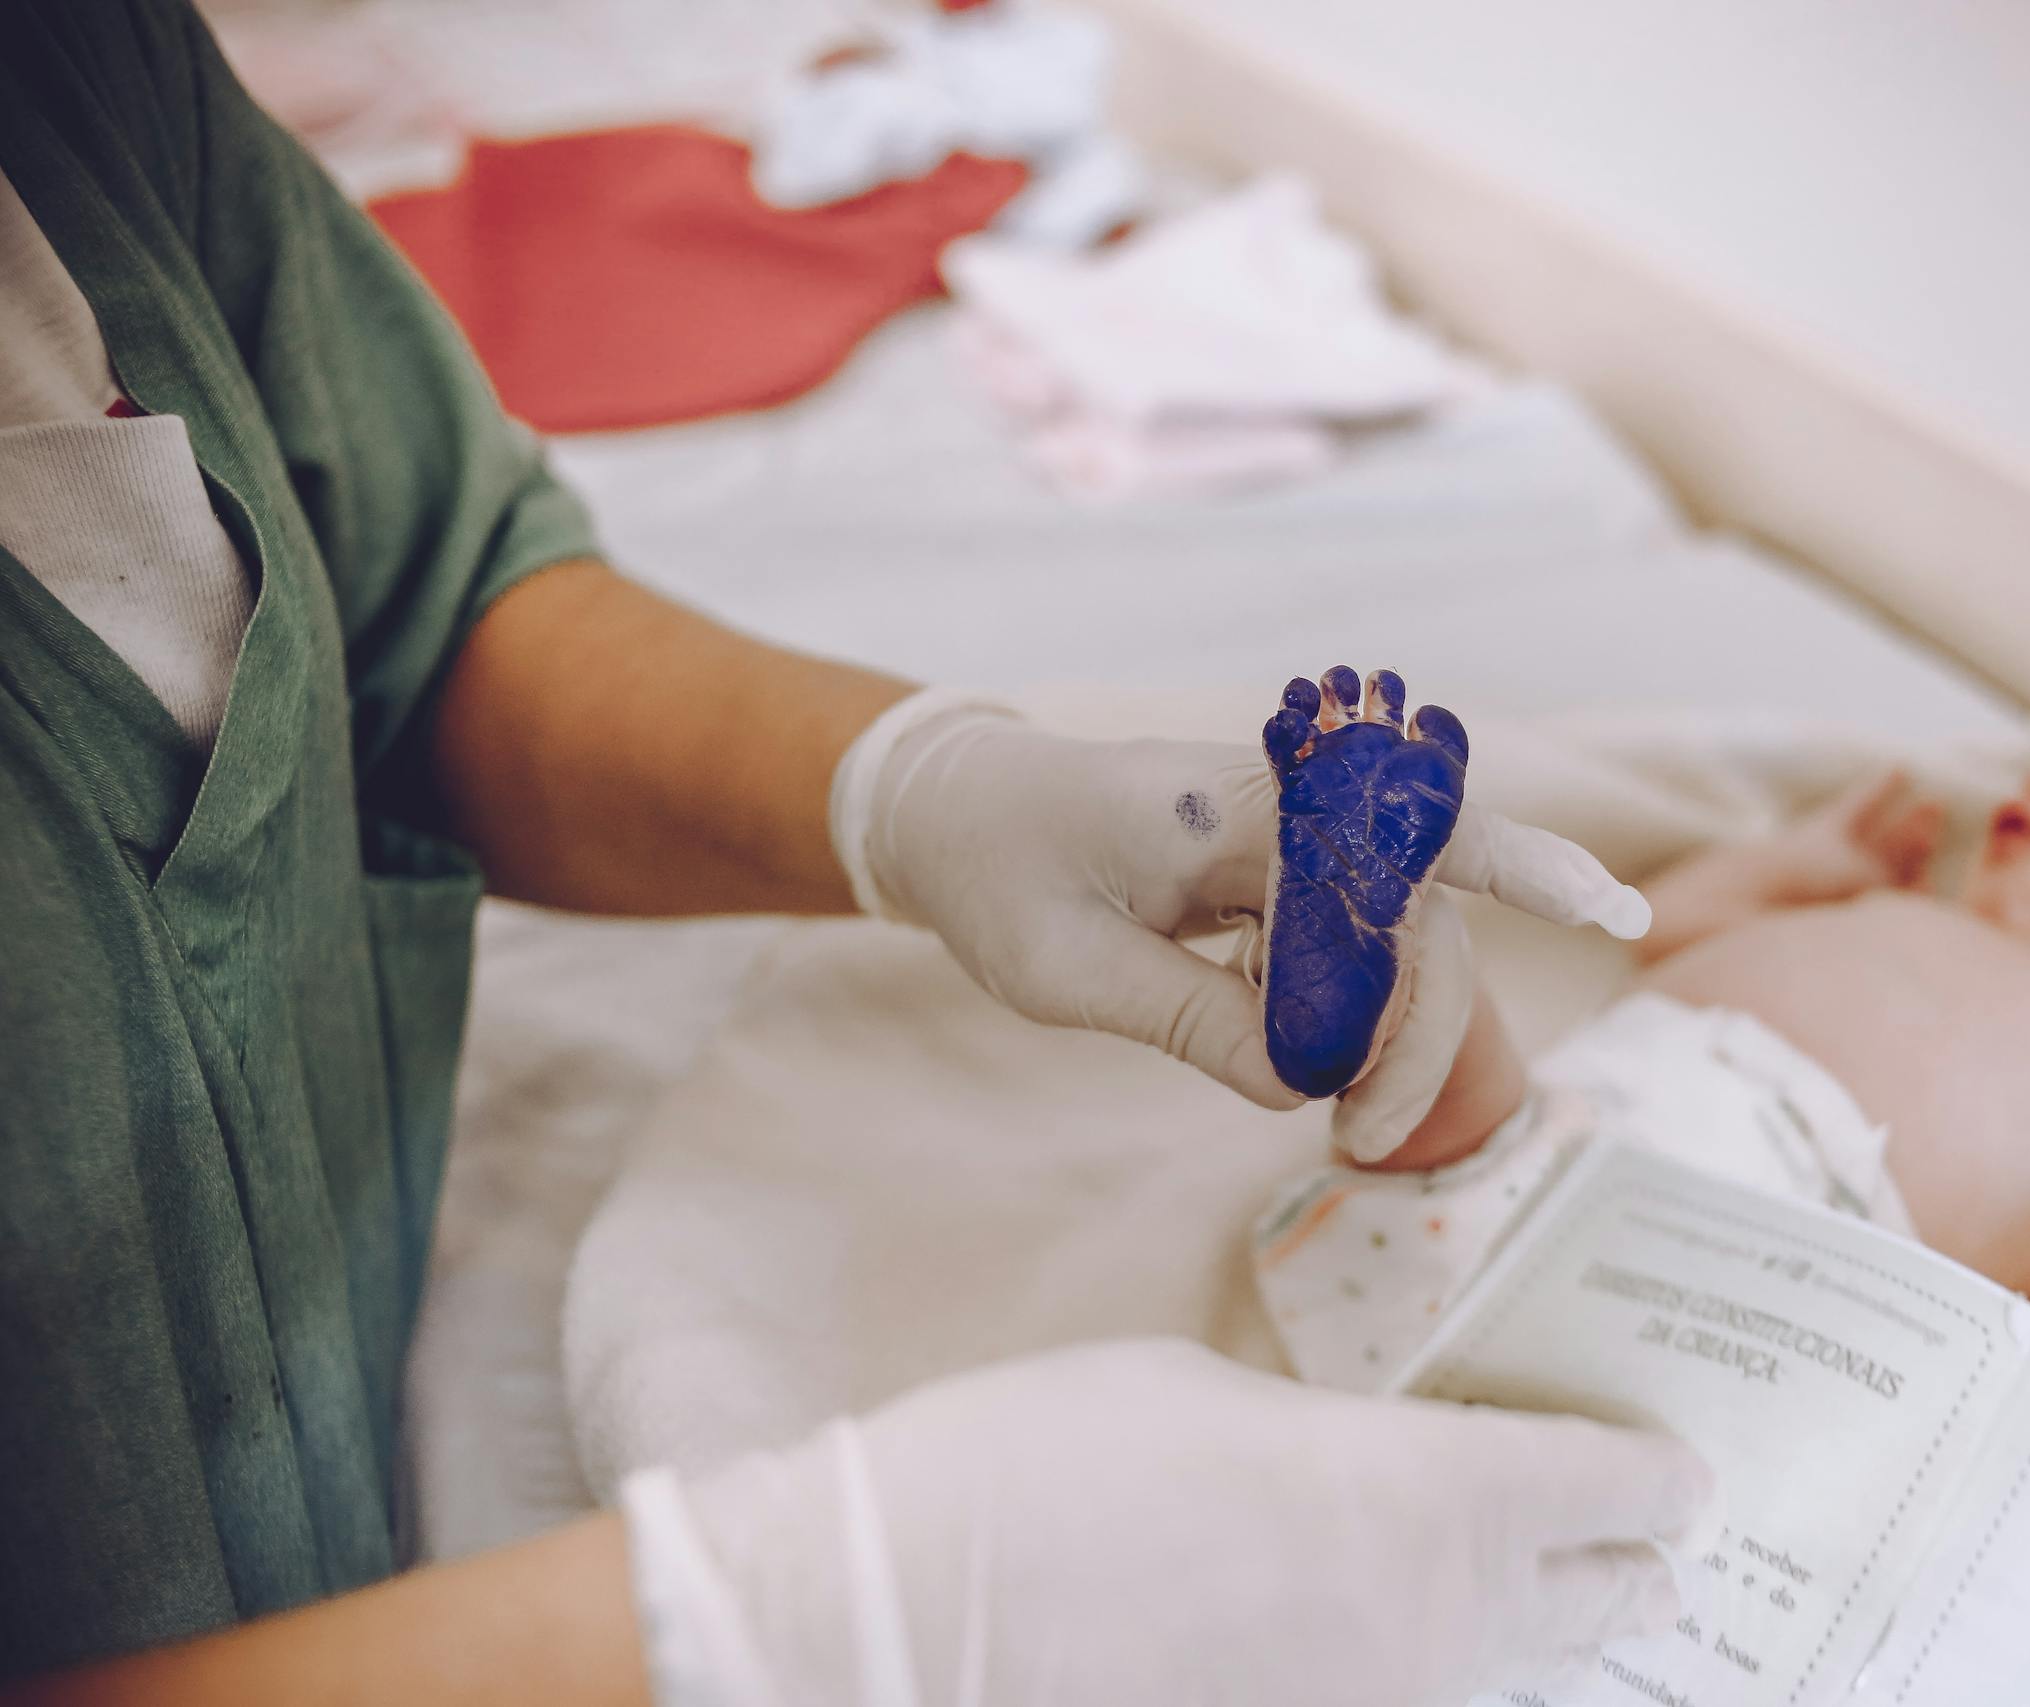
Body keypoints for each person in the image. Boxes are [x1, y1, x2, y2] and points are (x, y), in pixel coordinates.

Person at [0, 2, 1716, 1701]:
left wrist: (910, 789)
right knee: (1522, 1159)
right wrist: (768, 1629)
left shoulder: (80, 74)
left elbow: (414, 597)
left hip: (367, 1460)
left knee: (1502, 1146)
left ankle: (1423, 985)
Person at [1284, 703, 2030, 1380]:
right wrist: (1799, 864)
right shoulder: (1900, 916)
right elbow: (1669, 931)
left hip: (1755, 1252)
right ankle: (1381, 955)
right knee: (1470, 1113)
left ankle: (1385, 945)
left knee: (1492, 1125)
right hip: (1551, 1135)